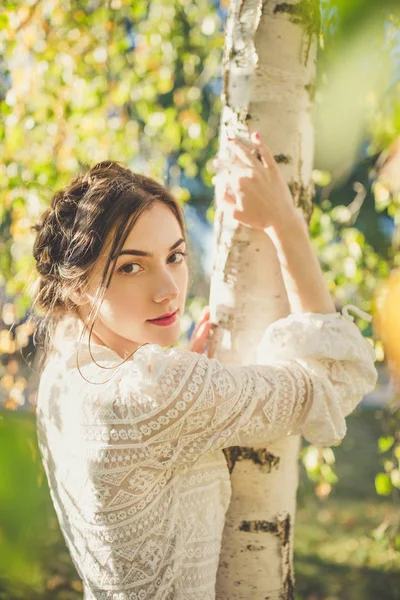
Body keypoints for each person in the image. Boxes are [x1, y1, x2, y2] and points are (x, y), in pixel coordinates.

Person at [32, 132, 377, 600]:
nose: (169, 290)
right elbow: (334, 381)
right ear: (75, 286)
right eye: (131, 267)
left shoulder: (61, 372)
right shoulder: (156, 389)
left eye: (175, 256)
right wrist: (284, 222)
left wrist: (180, 380)